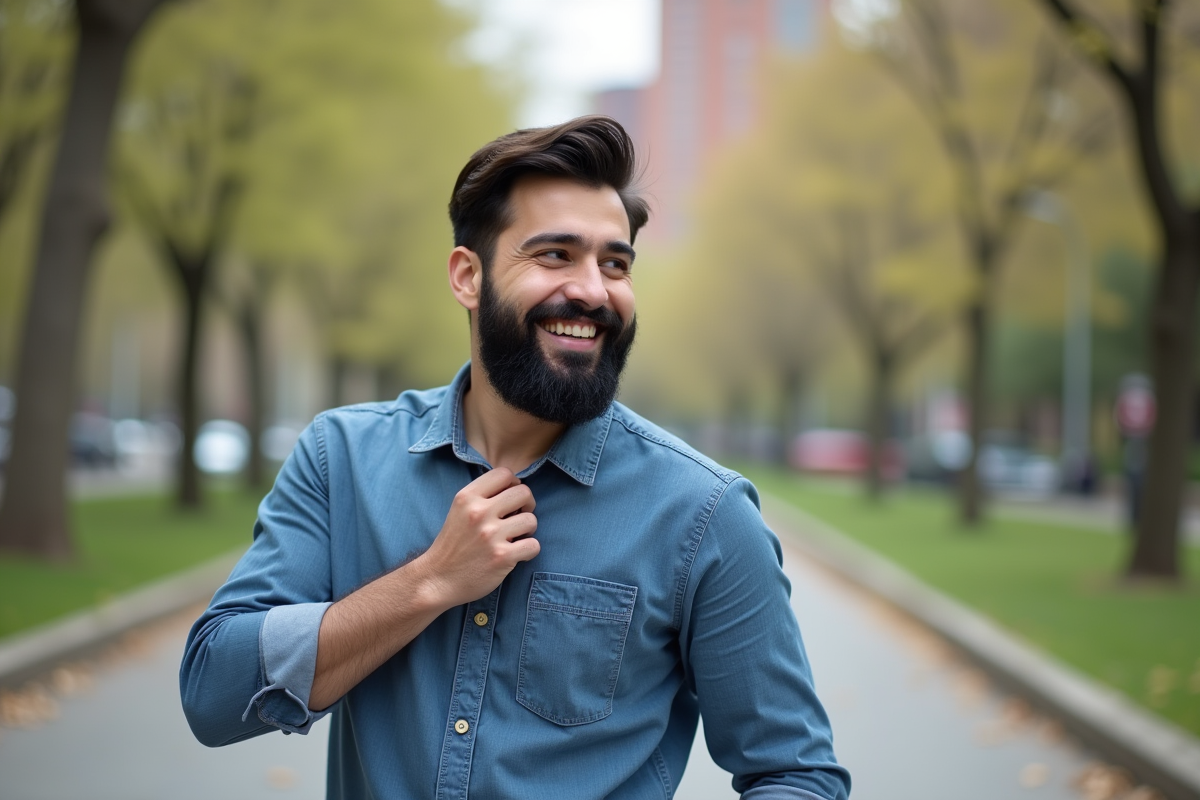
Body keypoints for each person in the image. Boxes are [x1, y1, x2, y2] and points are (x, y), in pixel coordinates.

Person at [180, 116, 850, 800]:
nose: (593, 290)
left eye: (614, 263)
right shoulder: (340, 459)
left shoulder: (704, 515)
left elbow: (795, 773)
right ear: (468, 277)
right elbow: (213, 691)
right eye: (556, 254)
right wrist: (428, 583)